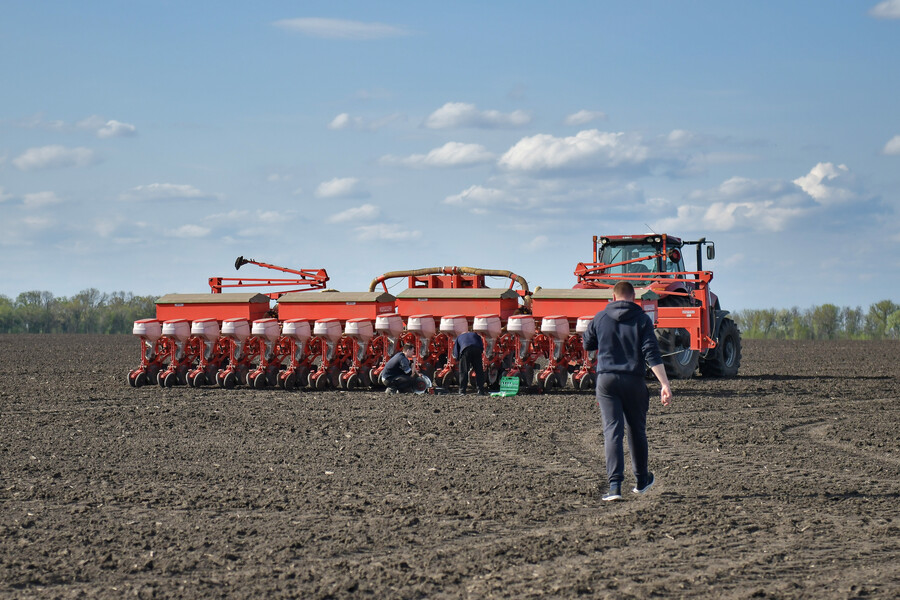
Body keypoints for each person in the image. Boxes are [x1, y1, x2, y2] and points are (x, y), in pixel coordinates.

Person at [582, 281, 673, 501]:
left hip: (606, 381)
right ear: (634, 298)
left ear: (613, 297)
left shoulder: (600, 317)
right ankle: (642, 480)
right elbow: (651, 353)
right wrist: (664, 384)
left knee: (612, 430)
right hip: (633, 380)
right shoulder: (642, 319)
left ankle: (614, 488)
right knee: (636, 430)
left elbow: (587, 344)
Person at [453, 330, 487, 395]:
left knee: (463, 371)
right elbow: (481, 346)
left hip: (465, 350)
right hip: (476, 349)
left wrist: (458, 360)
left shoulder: (459, 337)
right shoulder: (476, 335)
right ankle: (481, 390)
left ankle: (462, 391)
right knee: (479, 371)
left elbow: (456, 351)